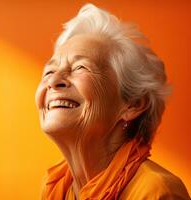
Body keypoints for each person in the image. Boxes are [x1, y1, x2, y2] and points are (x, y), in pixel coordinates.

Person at [35, 3, 190, 200]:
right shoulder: (55, 189)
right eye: (49, 71)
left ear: (133, 104)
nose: (54, 81)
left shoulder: (157, 192)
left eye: (81, 67)